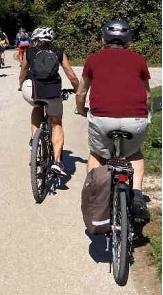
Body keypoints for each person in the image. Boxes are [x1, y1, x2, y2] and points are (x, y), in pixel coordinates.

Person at [75, 19, 151, 230]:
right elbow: (146, 96)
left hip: (102, 120)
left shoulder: (93, 60)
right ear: (128, 40)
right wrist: (146, 114)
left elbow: (81, 92)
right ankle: (136, 195)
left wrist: (81, 109)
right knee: (134, 154)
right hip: (135, 119)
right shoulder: (139, 60)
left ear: (103, 39)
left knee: (97, 154)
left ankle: (95, 196)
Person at [19, 27, 79, 175]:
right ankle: (57, 162)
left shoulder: (30, 52)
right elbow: (70, 74)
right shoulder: (58, 52)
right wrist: (77, 89)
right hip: (53, 93)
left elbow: (23, 72)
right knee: (57, 123)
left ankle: (34, 139)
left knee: (37, 107)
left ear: (36, 39)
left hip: (35, 91)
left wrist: (21, 85)